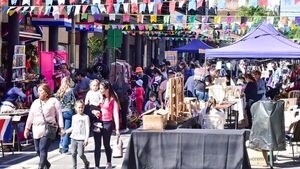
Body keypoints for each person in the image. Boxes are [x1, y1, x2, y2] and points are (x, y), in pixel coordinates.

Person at [24, 83, 64, 169]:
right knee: (38, 150)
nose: (39, 93)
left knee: (42, 148)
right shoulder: (35, 102)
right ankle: (47, 164)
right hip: (36, 129)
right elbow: (30, 116)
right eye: (38, 91)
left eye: (41, 91)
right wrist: (27, 129)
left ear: (46, 92)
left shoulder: (53, 101)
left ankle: (40, 167)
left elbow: (59, 115)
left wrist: (61, 128)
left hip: (48, 129)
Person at [92, 80, 120, 169]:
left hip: (108, 123)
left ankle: (109, 162)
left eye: (101, 88)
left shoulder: (113, 99)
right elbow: (92, 107)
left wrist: (117, 129)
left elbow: (115, 114)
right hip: (98, 122)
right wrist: (94, 111)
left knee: (106, 144)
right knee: (97, 145)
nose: (99, 90)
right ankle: (96, 165)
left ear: (107, 89)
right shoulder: (99, 97)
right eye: (99, 88)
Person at [65, 100, 90, 169]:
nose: (80, 109)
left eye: (82, 107)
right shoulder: (74, 117)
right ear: (75, 108)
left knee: (81, 154)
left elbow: (87, 128)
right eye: (79, 107)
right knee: (73, 153)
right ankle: (74, 167)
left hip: (81, 138)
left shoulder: (86, 117)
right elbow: (72, 127)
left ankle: (86, 162)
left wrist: (86, 139)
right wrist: (66, 132)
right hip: (74, 137)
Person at [56, 77, 76, 154]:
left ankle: (61, 146)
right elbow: (73, 101)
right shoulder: (70, 91)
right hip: (68, 111)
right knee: (67, 130)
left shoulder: (59, 91)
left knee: (61, 129)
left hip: (60, 112)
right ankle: (65, 148)